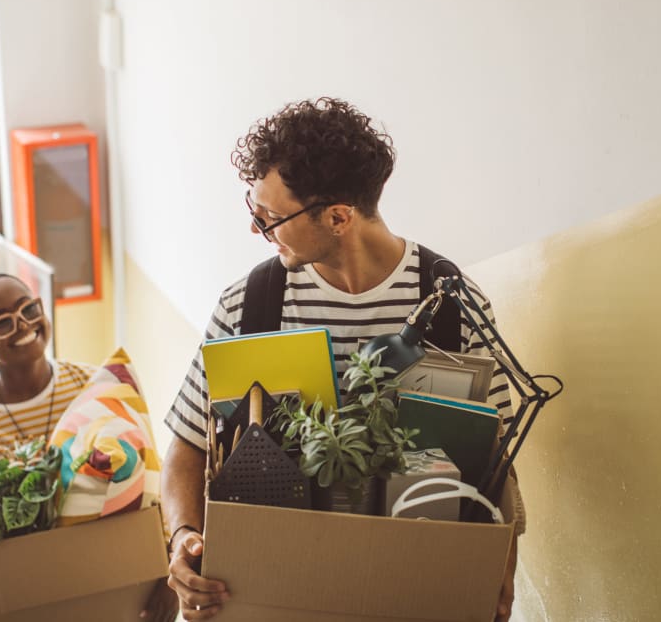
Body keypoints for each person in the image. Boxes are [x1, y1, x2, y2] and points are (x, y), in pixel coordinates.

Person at [162, 97, 523, 621]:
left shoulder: (452, 304)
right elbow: (187, 446)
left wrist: (499, 569)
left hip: (409, 593)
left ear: (337, 217)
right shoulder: (249, 303)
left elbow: (496, 462)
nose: (256, 230)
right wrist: (183, 538)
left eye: (268, 218)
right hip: (278, 594)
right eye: (254, 211)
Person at [0, 273, 176, 622]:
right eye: (2, 322)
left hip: (107, 589)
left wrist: (169, 573)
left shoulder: (90, 385)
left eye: (29, 308)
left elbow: (151, 476)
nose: (23, 324)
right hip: (17, 603)